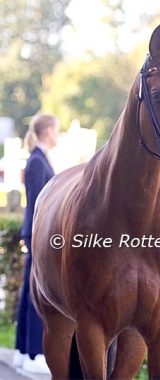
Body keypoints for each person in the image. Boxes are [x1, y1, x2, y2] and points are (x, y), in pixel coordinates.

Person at [13, 113, 60, 374]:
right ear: (46, 132)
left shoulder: (38, 159)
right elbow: (37, 205)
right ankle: (33, 352)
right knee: (36, 294)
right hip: (37, 233)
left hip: (34, 232)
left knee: (30, 291)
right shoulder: (37, 162)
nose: (58, 135)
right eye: (56, 130)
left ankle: (22, 351)